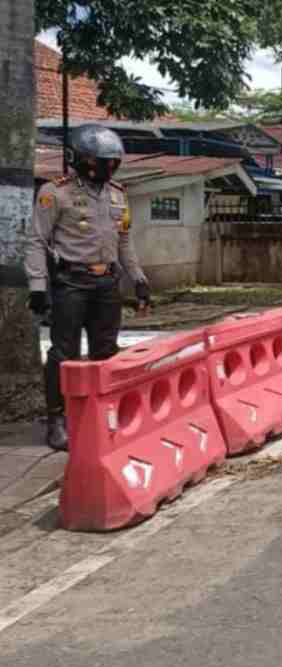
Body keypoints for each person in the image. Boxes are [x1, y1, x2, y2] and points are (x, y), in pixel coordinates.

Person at [24, 124, 150, 451]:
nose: (107, 168)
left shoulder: (117, 194)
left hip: (107, 283)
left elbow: (124, 242)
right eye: (100, 162)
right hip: (71, 283)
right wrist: (38, 286)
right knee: (64, 353)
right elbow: (37, 241)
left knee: (106, 353)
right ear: (79, 159)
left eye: (112, 162)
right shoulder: (56, 192)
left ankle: (101, 415)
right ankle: (57, 419)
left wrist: (139, 280)